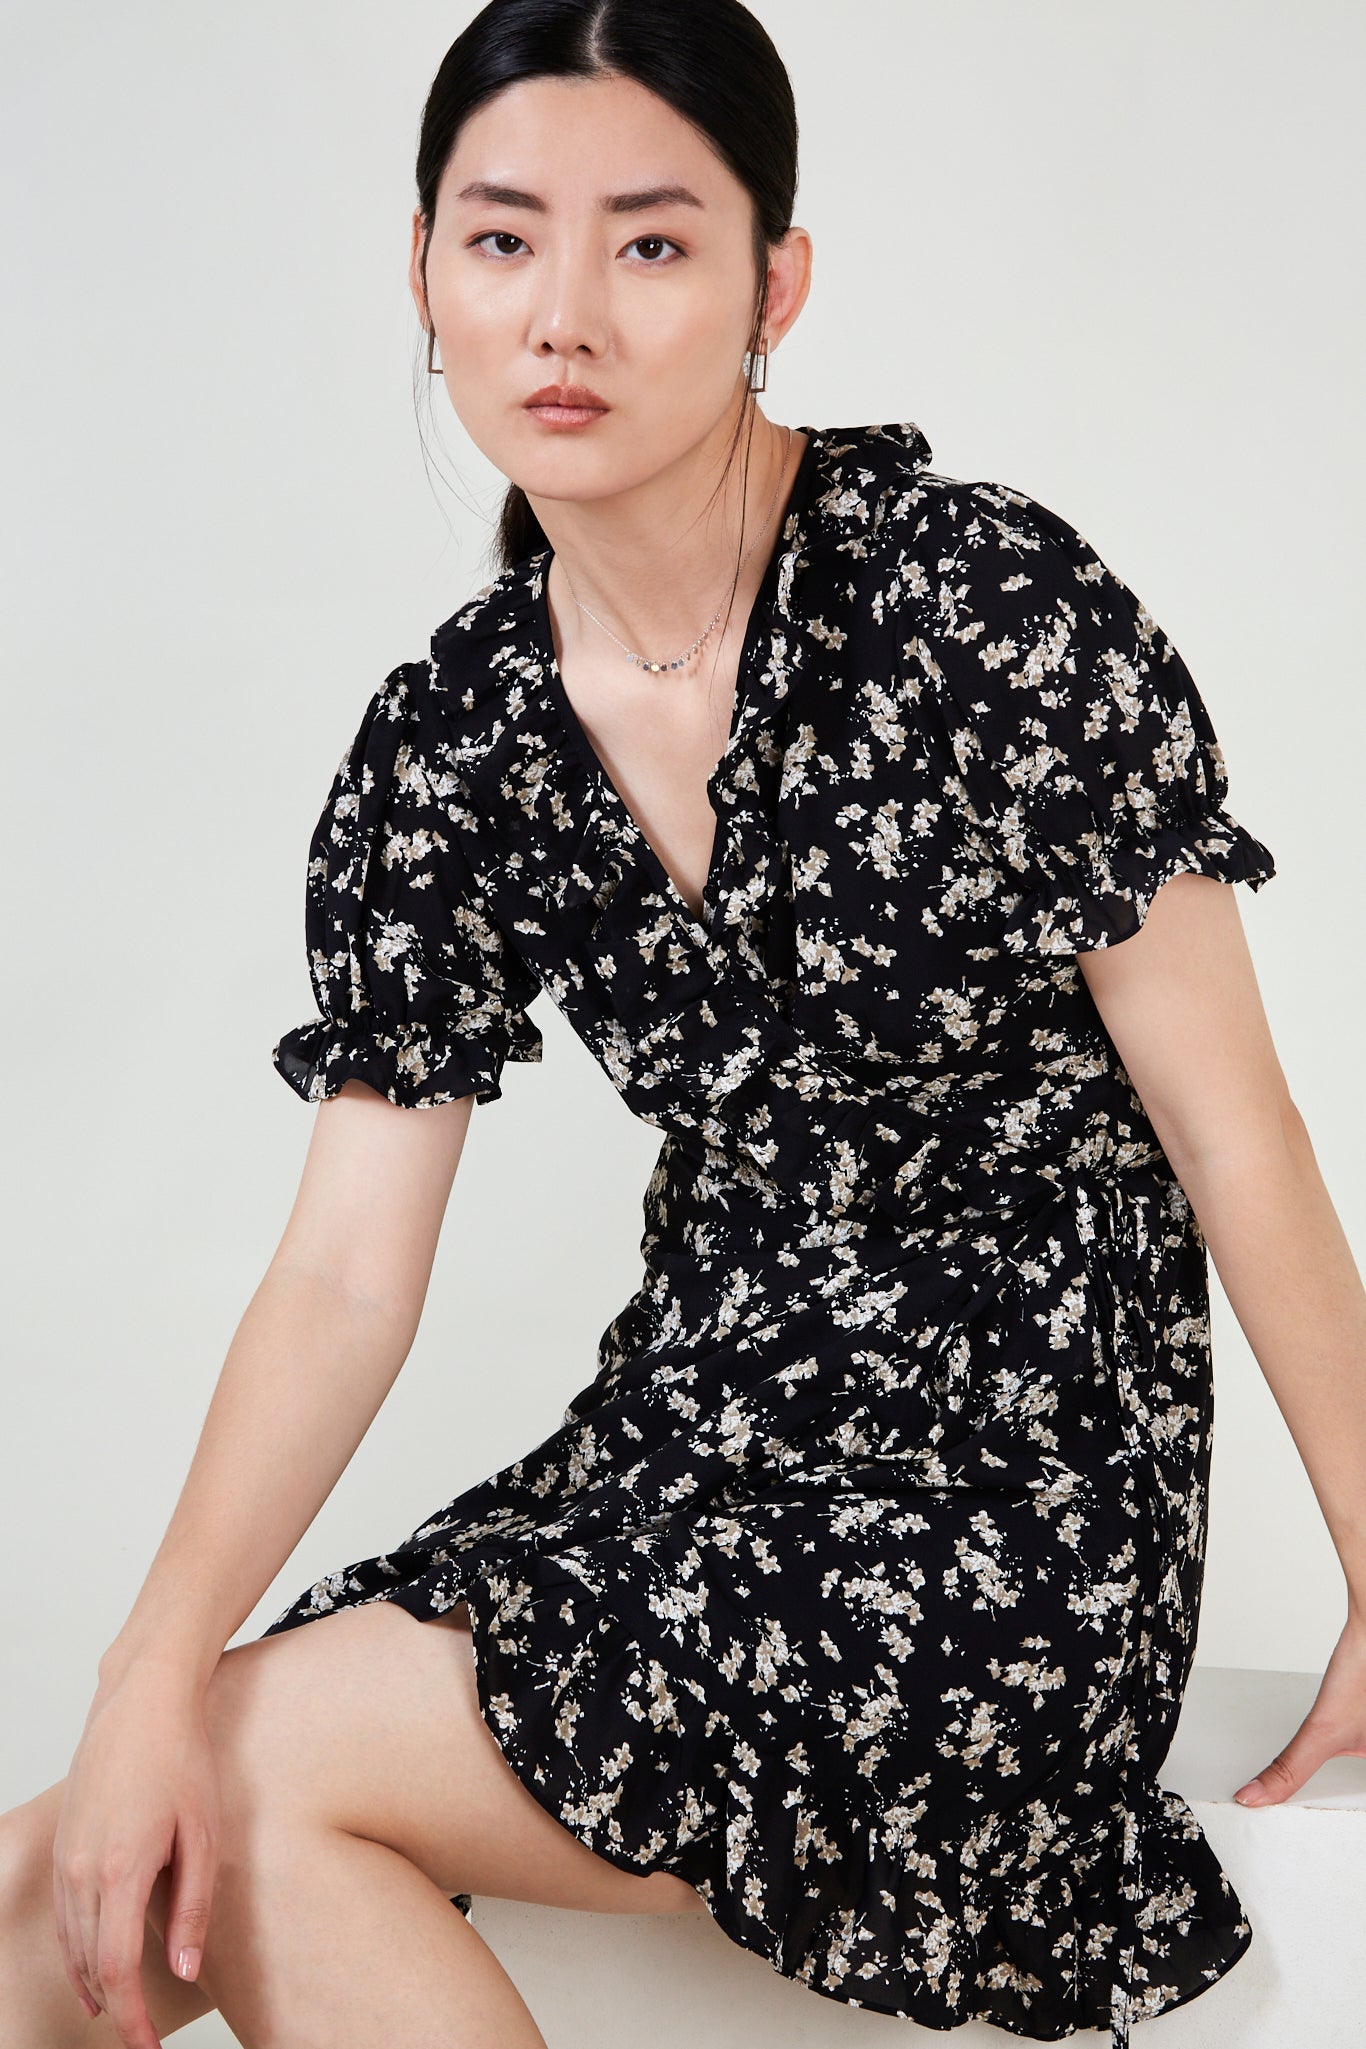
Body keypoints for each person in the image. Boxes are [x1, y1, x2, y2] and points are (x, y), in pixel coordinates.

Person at [5, 4, 1365, 2046]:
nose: (562, 313)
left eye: (648, 243)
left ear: (771, 286)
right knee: (92, 1855)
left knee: (244, 1767)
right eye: (500, 240)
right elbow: (343, 1271)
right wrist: (142, 1669)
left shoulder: (982, 610)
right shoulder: (455, 738)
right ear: (421, 271)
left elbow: (1232, 1131)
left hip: (1007, 1493)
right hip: (688, 1444)